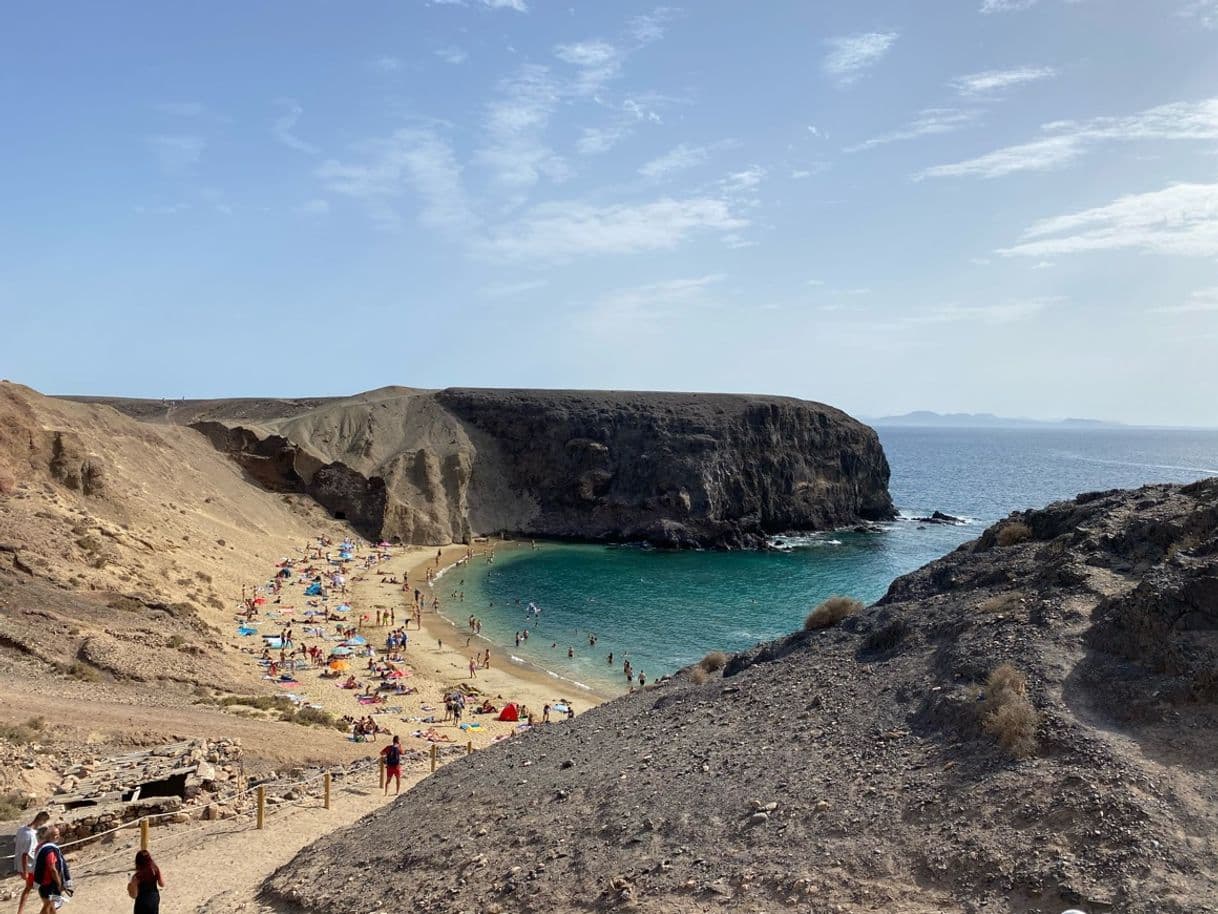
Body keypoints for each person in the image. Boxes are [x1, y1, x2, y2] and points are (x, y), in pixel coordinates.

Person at [15, 811, 49, 914]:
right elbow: (26, 854)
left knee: (28, 888)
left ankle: (20, 912)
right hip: (31, 867)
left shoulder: (21, 830)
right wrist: (25, 871)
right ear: (41, 821)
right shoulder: (32, 835)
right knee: (45, 888)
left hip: (23, 866)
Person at [32, 824, 69, 914]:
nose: (58, 836)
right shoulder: (49, 850)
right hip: (48, 884)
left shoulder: (40, 846)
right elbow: (52, 868)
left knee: (51, 906)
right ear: (52, 836)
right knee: (47, 906)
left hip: (41, 882)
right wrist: (59, 883)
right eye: (56, 834)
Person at [126, 849, 164, 914]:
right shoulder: (155, 869)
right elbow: (162, 884)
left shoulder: (136, 876)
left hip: (142, 903)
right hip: (154, 898)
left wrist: (129, 888)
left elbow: (134, 895)